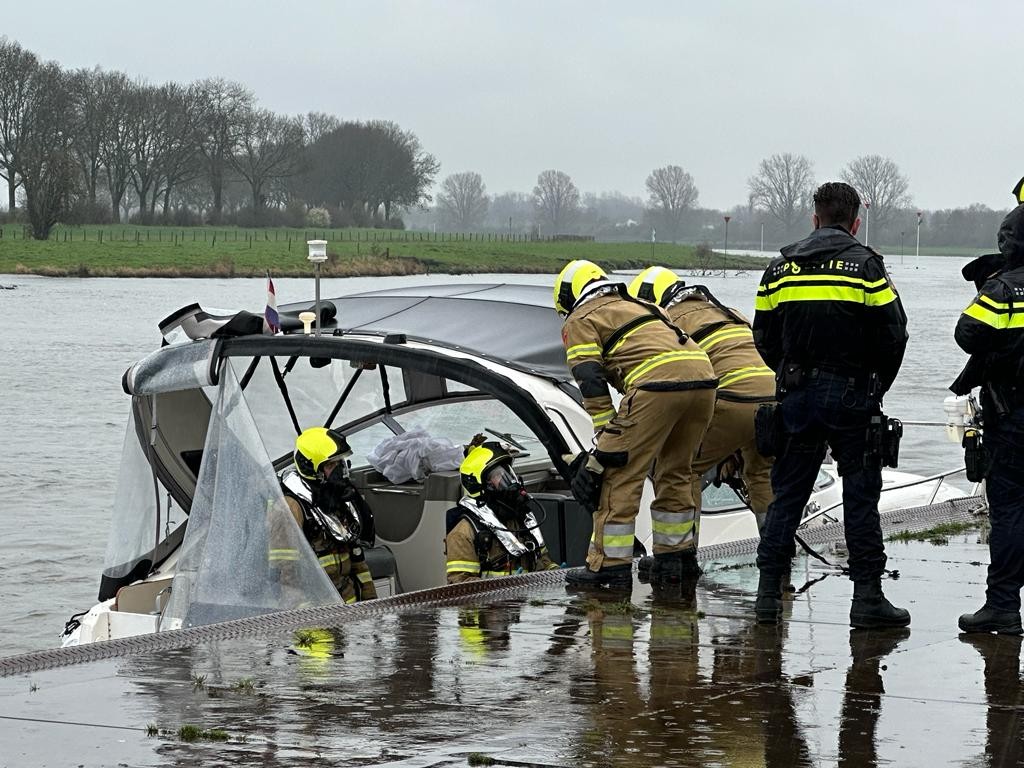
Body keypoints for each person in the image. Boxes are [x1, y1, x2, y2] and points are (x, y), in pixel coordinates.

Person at [752, 181, 910, 628]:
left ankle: (767, 597)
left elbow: (761, 335)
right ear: (855, 222)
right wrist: (876, 388)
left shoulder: (778, 269)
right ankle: (867, 600)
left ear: (815, 217)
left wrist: (788, 375)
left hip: (796, 397)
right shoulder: (866, 267)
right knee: (860, 498)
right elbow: (894, 334)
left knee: (787, 496)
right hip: (852, 395)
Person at [555, 259, 717, 587]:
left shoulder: (581, 317)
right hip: (704, 379)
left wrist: (605, 437)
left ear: (570, 298)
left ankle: (609, 566)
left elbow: (587, 374)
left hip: (657, 385)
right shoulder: (642, 305)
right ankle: (676, 557)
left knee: (617, 473)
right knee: (675, 470)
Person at [628, 267, 776, 532]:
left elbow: (672, 387)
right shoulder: (727, 311)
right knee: (760, 473)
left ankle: (680, 554)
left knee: (680, 469)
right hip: (773, 400)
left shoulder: (666, 323)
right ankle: (776, 548)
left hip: (733, 400)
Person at [952, 203, 1024, 635]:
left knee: (1011, 510)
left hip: (1013, 416)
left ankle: (1002, 606)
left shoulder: (1003, 290)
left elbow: (967, 335)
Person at [279, 426, 377, 603]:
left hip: (348, 610)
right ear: (310, 467)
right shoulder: (290, 508)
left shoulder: (335, 499)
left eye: (340, 463)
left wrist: (371, 605)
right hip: (317, 615)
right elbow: (287, 582)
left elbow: (357, 561)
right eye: (331, 465)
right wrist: (312, 628)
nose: (340, 470)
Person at [445, 438, 560, 582]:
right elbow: (461, 589)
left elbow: (543, 563)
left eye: (508, 473)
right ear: (479, 485)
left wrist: (558, 575)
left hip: (529, 601)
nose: (511, 481)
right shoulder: (463, 534)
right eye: (498, 476)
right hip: (495, 604)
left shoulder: (522, 520)